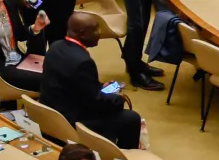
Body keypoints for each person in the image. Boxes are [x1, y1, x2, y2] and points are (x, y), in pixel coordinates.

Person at [43, 12, 146, 146]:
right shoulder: (83, 62)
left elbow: (76, 84)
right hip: (71, 120)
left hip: (54, 110)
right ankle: (122, 159)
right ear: (83, 33)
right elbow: (95, 103)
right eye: (96, 30)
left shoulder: (55, 47)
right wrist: (118, 99)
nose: (100, 33)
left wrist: (99, 87)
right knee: (131, 118)